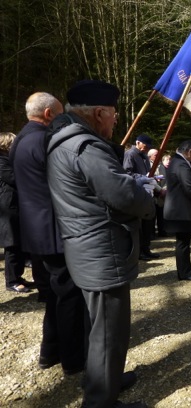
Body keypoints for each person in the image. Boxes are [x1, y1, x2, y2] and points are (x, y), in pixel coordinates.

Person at [46, 79, 155, 408]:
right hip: (101, 250)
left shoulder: (64, 142)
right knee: (109, 331)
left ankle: (105, 378)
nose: (117, 119)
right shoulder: (85, 147)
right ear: (97, 113)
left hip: (88, 248)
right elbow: (121, 195)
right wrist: (146, 196)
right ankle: (100, 401)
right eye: (113, 113)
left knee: (98, 326)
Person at [10, 92, 87, 375]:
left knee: (55, 295)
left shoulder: (21, 139)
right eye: (59, 113)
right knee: (69, 296)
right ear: (48, 115)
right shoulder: (43, 140)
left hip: (37, 229)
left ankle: (50, 351)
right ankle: (74, 359)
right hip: (55, 229)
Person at [163, 140, 191, 281]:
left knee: (183, 242)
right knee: (183, 243)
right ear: (189, 151)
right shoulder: (181, 164)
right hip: (180, 210)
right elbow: (190, 189)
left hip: (178, 209)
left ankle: (186, 270)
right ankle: (185, 272)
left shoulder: (176, 162)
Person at [124, 134, 159, 261]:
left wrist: (152, 178)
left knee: (148, 223)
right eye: (145, 146)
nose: (146, 149)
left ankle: (146, 248)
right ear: (138, 143)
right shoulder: (130, 154)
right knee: (139, 224)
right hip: (137, 191)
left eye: (148, 147)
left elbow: (149, 172)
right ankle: (139, 251)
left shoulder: (144, 156)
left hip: (147, 192)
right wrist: (142, 178)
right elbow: (127, 173)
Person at [0, 132, 28, 293]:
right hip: (8, 208)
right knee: (11, 245)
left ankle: (18, 276)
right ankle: (11, 281)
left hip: (15, 206)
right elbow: (14, 178)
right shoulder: (2, 162)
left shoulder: (7, 161)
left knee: (17, 244)